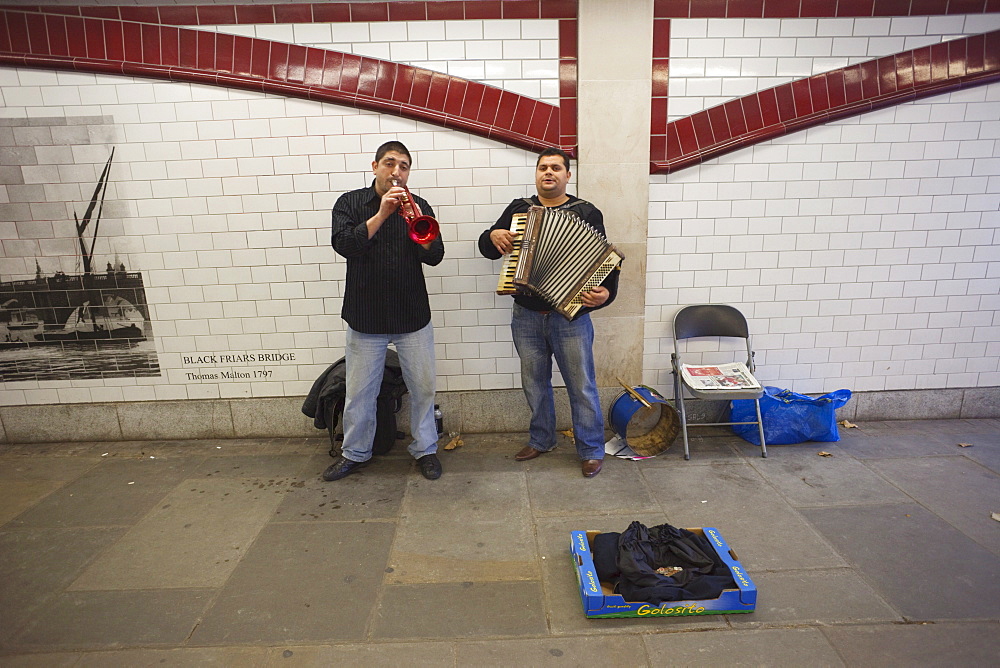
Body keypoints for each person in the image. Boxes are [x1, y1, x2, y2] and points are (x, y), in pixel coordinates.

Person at [478, 148, 619, 478]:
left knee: (581, 385)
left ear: (567, 175)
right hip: (526, 315)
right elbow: (488, 248)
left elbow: (604, 259)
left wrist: (607, 294)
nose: (549, 172)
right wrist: (491, 235)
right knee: (534, 382)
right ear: (536, 174)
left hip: (570, 317)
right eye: (543, 167)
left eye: (556, 168)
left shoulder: (586, 212)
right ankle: (541, 439)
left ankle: (590, 449)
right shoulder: (519, 209)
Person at [323, 141, 445, 482]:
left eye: (404, 166)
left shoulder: (418, 205)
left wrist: (418, 231)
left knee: (423, 388)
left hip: (412, 315)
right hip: (366, 316)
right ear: (375, 165)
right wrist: (382, 215)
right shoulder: (349, 203)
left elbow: (435, 255)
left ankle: (426, 450)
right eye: (390, 163)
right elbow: (344, 245)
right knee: (359, 392)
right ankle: (355, 453)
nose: (397, 171)